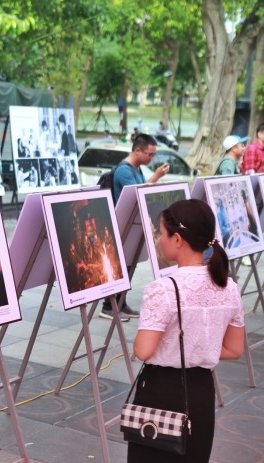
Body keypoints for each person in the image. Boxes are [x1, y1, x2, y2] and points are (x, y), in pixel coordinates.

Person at [130, 199, 244, 463]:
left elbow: (143, 350)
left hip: (161, 390)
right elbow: (234, 349)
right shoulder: (229, 288)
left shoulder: (163, 289)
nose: (159, 240)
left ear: (178, 239)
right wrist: (199, 348)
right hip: (201, 390)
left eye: (161, 233)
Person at [101, 134, 169, 321]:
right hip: (121, 226)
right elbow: (139, 193)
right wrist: (156, 176)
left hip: (131, 225)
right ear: (138, 150)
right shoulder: (125, 171)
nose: (151, 158)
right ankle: (108, 306)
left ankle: (120, 303)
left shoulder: (136, 169)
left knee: (129, 266)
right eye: (150, 154)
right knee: (120, 267)